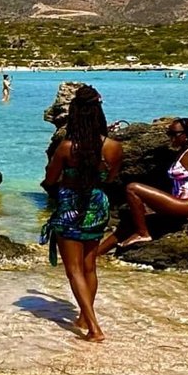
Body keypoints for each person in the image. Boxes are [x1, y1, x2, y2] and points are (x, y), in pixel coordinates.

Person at [40, 83, 124, 343]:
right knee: (89, 266)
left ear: (75, 116)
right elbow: (112, 177)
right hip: (98, 204)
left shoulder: (66, 148)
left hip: (71, 207)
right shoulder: (113, 146)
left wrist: (63, 182)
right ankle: (83, 316)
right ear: (99, 114)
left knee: (73, 269)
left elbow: (50, 180)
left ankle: (94, 328)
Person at [117, 118, 188, 246]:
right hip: (178, 201)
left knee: (132, 188)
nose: (170, 137)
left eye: (174, 134)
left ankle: (143, 234)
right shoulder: (181, 152)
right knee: (128, 224)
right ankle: (96, 255)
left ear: (187, 135)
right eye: (169, 134)